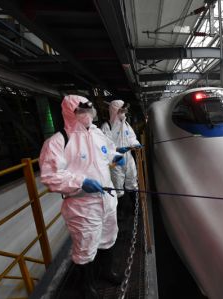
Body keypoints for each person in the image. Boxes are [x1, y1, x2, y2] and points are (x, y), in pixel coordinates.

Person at [39, 95, 126, 298]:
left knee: (108, 237)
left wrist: (116, 158)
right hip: (82, 206)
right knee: (85, 246)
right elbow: (50, 177)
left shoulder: (96, 134)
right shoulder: (58, 141)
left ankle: (106, 271)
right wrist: (80, 183)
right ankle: (86, 286)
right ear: (70, 113)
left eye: (88, 110)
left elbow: (108, 152)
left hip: (107, 198)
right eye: (81, 111)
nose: (87, 115)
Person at [101, 100, 141, 231]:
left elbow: (132, 137)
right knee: (118, 186)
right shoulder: (106, 126)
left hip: (128, 158)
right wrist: (117, 150)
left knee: (132, 182)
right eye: (122, 111)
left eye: (124, 111)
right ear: (115, 111)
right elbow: (104, 146)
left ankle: (135, 208)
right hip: (115, 161)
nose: (125, 113)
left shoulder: (127, 124)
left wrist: (135, 144)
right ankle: (120, 212)